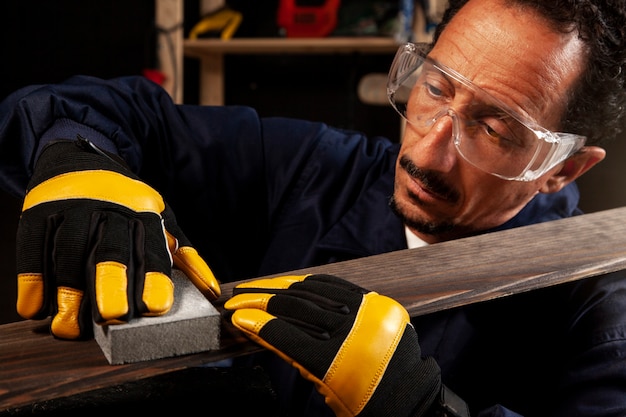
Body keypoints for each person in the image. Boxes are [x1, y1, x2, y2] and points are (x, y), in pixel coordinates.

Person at [0, 0, 625, 415]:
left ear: (563, 169)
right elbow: (95, 108)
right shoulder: (313, 170)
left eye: (495, 128)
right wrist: (79, 162)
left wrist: (420, 408)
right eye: (436, 89)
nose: (430, 151)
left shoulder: (601, 319)